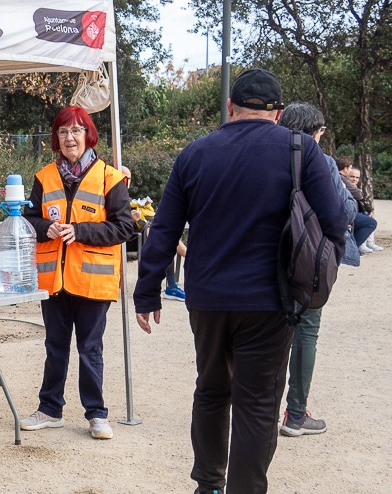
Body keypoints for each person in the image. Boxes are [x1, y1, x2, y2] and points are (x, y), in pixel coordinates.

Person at [133, 69, 345, 494]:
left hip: (207, 299)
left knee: (211, 390)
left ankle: (208, 484)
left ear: (231, 107)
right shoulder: (300, 150)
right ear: (279, 112)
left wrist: (146, 291)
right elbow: (336, 222)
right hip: (272, 300)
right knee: (258, 404)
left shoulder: (195, 153)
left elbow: (164, 228)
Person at [19, 106, 133, 440]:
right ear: (56, 138)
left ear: (88, 135)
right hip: (53, 279)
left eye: (76, 131)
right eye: (63, 132)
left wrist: (79, 231)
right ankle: (50, 409)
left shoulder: (111, 177)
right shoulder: (44, 177)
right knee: (55, 347)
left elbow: (125, 228)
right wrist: (47, 228)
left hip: (92, 280)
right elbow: (28, 220)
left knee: (89, 349)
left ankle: (96, 414)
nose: (70, 137)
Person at [277, 102, 357, 437]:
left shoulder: (267, 152)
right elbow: (342, 212)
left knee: (266, 332)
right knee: (306, 331)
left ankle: (258, 407)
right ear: (315, 131)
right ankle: (296, 413)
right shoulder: (320, 160)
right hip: (306, 259)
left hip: (268, 256)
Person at [120, 165, 188, 301]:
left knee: (164, 236)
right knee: (161, 235)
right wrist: (131, 219)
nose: (126, 182)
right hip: (126, 239)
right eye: (123, 178)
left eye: (128, 179)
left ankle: (172, 285)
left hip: (137, 235)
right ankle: (191, 260)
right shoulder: (110, 196)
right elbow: (111, 222)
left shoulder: (126, 198)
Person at [348, 167, 382, 253]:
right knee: (368, 221)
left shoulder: (357, 189)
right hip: (349, 214)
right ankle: (360, 245)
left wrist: (370, 211)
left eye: (357, 177)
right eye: (352, 176)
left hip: (356, 213)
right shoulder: (346, 187)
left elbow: (362, 202)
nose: (354, 179)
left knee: (370, 216)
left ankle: (369, 242)